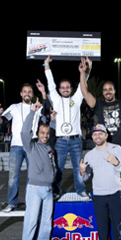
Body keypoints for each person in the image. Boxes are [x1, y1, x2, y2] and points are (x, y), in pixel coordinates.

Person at [79, 57, 121, 209]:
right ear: (103, 93)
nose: (108, 91)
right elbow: (84, 92)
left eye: (110, 89)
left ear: (114, 91)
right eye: (105, 89)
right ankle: (114, 198)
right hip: (103, 146)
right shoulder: (98, 104)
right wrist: (83, 73)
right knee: (105, 174)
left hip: (119, 145)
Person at [79, 124, 121, 240]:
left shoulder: (116, 149)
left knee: (119, 225)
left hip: (115, 193)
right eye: (95, 134)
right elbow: (85, 178)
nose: (98, 136)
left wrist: (115, 162)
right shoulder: (89, 155)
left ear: (106, 135)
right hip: (98, 194)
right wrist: (82, 171)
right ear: (92, 137)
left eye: (100, 134)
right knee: (102, 225)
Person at [43, 55, 90, 199]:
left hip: (76, 140)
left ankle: (80, 190)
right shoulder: (56, 99)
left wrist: (87, 69)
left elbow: (84, 84)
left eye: (67, 87)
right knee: (58, 168)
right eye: (62, 87)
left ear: (71, 88)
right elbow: (50, 84)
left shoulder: (76, 99)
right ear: (59, 89)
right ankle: (56, 190)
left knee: (78, 168)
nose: (65, 89)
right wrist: (46, 65)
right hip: (60, 141)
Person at [19, 100, 56, 240]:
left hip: (48, 190)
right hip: (34, 189)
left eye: (47, 133)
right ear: (37, 133)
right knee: (31, 222)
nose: (45, 135)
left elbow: (53, 133)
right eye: (42, 132)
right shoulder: (31, 146)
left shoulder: (49, 147)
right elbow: (24, 131)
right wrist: (33, 112)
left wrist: (53, 120)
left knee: (46, 223)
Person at [0, 83, 39, 212]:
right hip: (16, 146)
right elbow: (1, 121)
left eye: (29, 91)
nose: (27, 93)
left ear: (32, 94)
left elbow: (47, 116)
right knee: (13, 176)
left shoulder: (37, 107)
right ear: (21, 94)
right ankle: (12, 203)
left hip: (32, 145)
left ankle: (30, 202)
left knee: (32, 176)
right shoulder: (14, 107)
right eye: (25, 91)